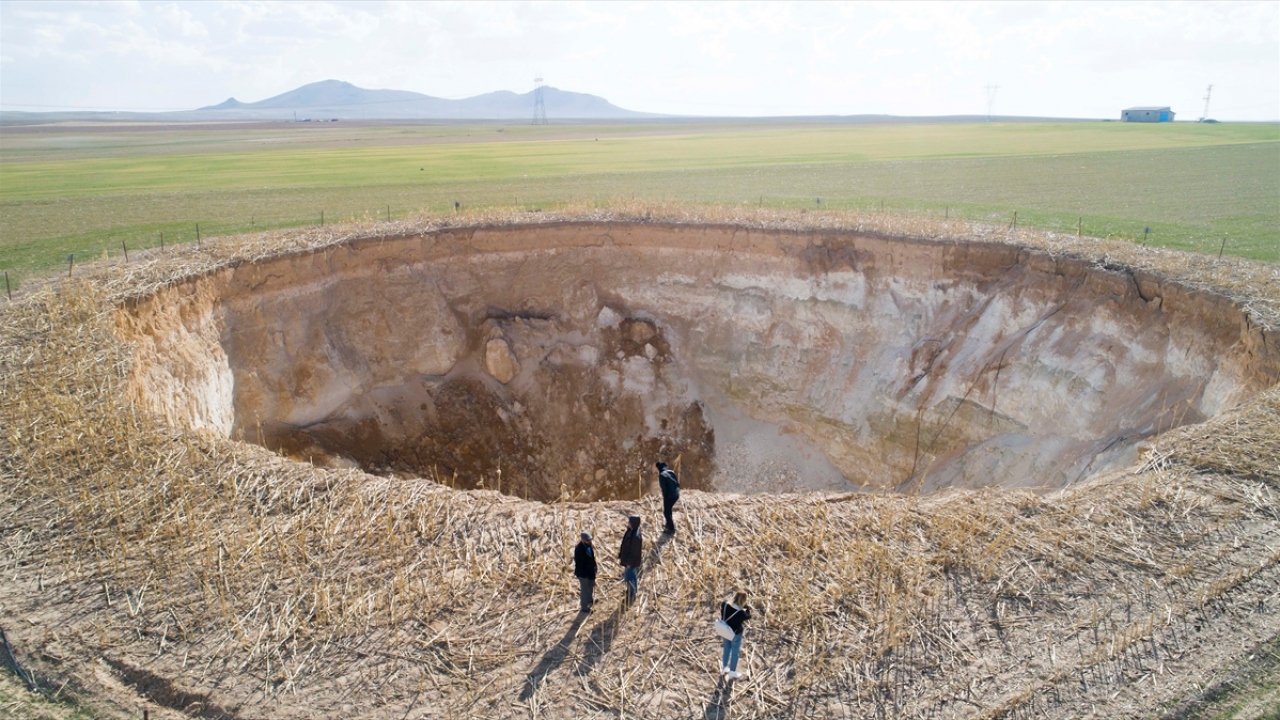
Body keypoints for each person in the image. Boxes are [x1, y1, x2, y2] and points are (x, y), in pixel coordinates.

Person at [720, 590, 752, 680]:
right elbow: (748, 616)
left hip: (725, 630)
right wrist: (747, 607)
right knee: (735, 653)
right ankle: (732, 672)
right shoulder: (741, 612)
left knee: (726, 649)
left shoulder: (725, 604)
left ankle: (724, 668)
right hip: (735, 634)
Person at [618, 514, 643, 605]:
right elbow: (624, 543)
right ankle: (630, 590)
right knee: (628, 577)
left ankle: (633, 593)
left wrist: (629, 562)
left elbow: (634, 551)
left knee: (631, 577)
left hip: (631, 562)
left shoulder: (636, 536)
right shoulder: (630, 531)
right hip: (627, 559)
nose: (627, 523)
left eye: (629, 522)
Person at [573, 531, 597, 613]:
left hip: (590, 572)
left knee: (591, 586)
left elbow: (592, 558)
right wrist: (586, 574)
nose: (589, 541)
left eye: (590, 540)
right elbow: (580, 565)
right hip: (583, 574)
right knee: (585, 590)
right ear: (582, 540)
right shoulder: (579, 550)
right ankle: (584, 607)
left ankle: (590, 600)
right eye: (587, 540)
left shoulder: (589, 546)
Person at [657, 461, 680, 534]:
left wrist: (665, 497)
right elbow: (677, 483)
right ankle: (668, 524)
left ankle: (671, 528)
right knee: (668, 509)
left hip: (669, 496)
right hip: (676, 494)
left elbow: (664, 488)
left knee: (666, 512)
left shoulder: (662, 475)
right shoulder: (671, 472)